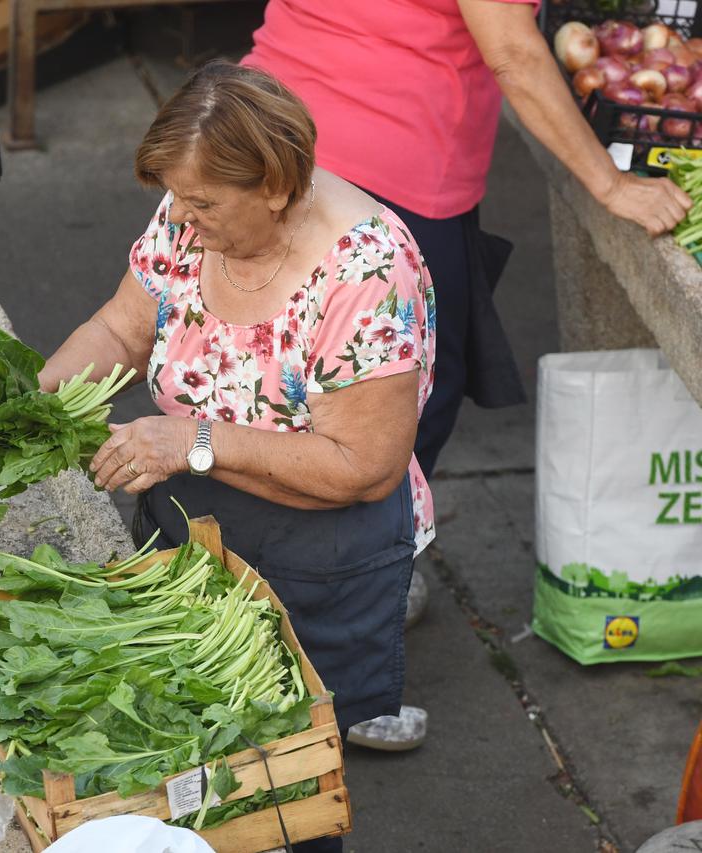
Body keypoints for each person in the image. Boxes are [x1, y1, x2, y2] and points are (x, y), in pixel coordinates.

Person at [241, 0, 693, 750]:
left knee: (277, 402)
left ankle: (296, 629)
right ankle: (342, 680)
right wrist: (609, 186)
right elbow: (513, 51)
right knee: (377, 432)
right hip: (384, 166)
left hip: (270, 119)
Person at [39, 61, 431, 853]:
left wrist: (193, 441)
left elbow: (365, 466)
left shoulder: (365, 271)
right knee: (196, 756)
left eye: (204, 202)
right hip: (194, 524)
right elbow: (122, 328)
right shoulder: (191, 213)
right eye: (176, 197)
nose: (182, 217)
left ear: (277, 187)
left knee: (287, 780)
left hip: (319, 546)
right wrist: (35, 400)